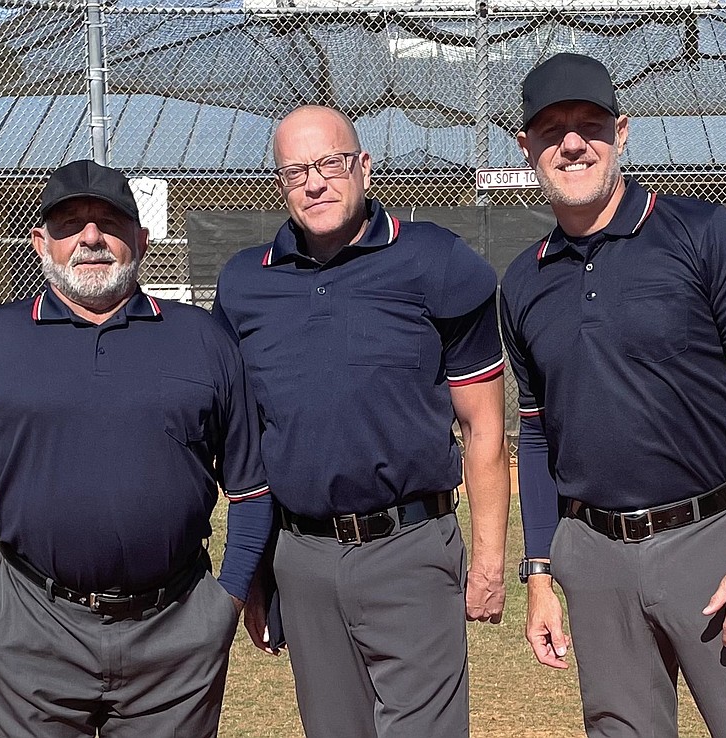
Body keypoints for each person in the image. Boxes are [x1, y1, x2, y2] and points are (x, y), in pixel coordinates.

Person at [500, 54, 726, 737]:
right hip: (594, 552)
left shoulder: (699, 232)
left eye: (590, 125)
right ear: (526, 147)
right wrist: (541, 573)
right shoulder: (523, 281)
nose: (572, 142)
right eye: (551, 129)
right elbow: (539, 434)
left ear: (622, 132)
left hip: (710, 538)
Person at [0, 159, 272, 737]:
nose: (90, 237)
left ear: (140, 238)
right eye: (70, 224)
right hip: (31, 626)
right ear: (42, 243)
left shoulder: (202, 339)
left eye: (109, 222)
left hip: (175, 631)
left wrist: (224, 604)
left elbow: (252, 487)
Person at [211, 105, 510, 738]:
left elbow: (484, 427)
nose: (314, 183)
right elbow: (244, 444)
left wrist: (488, 561)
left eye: (329, 164)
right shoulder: (244, 285)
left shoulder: (434, 260)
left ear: (364, 167)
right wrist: (258, 569)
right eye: (296, 171)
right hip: (303, 558)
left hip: (410, 548)